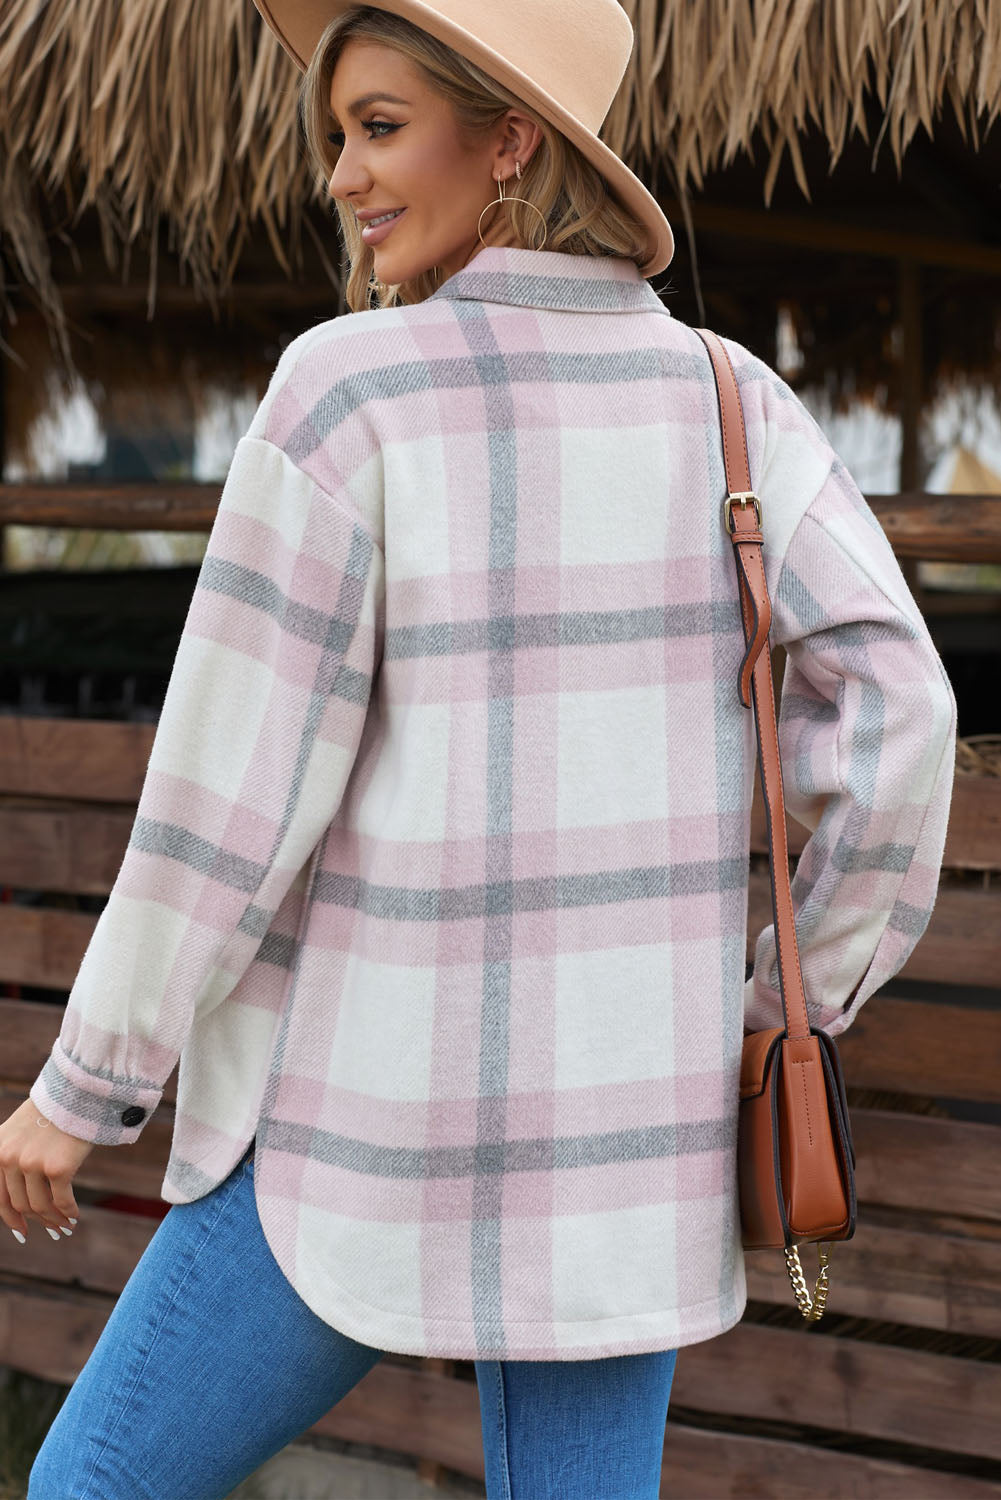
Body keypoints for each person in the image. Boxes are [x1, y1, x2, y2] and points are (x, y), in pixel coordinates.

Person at [8, 1, 955, 1496]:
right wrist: (784, 1000)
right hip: (631, 1142)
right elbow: (902, 710)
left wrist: (84, 1087)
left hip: (362, 1129)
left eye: (380, 127)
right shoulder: (733, 401)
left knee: (94, 1486)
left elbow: (226, 804)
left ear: (511, 140)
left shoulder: (350, 392)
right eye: (341, 134)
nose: (342, 175)